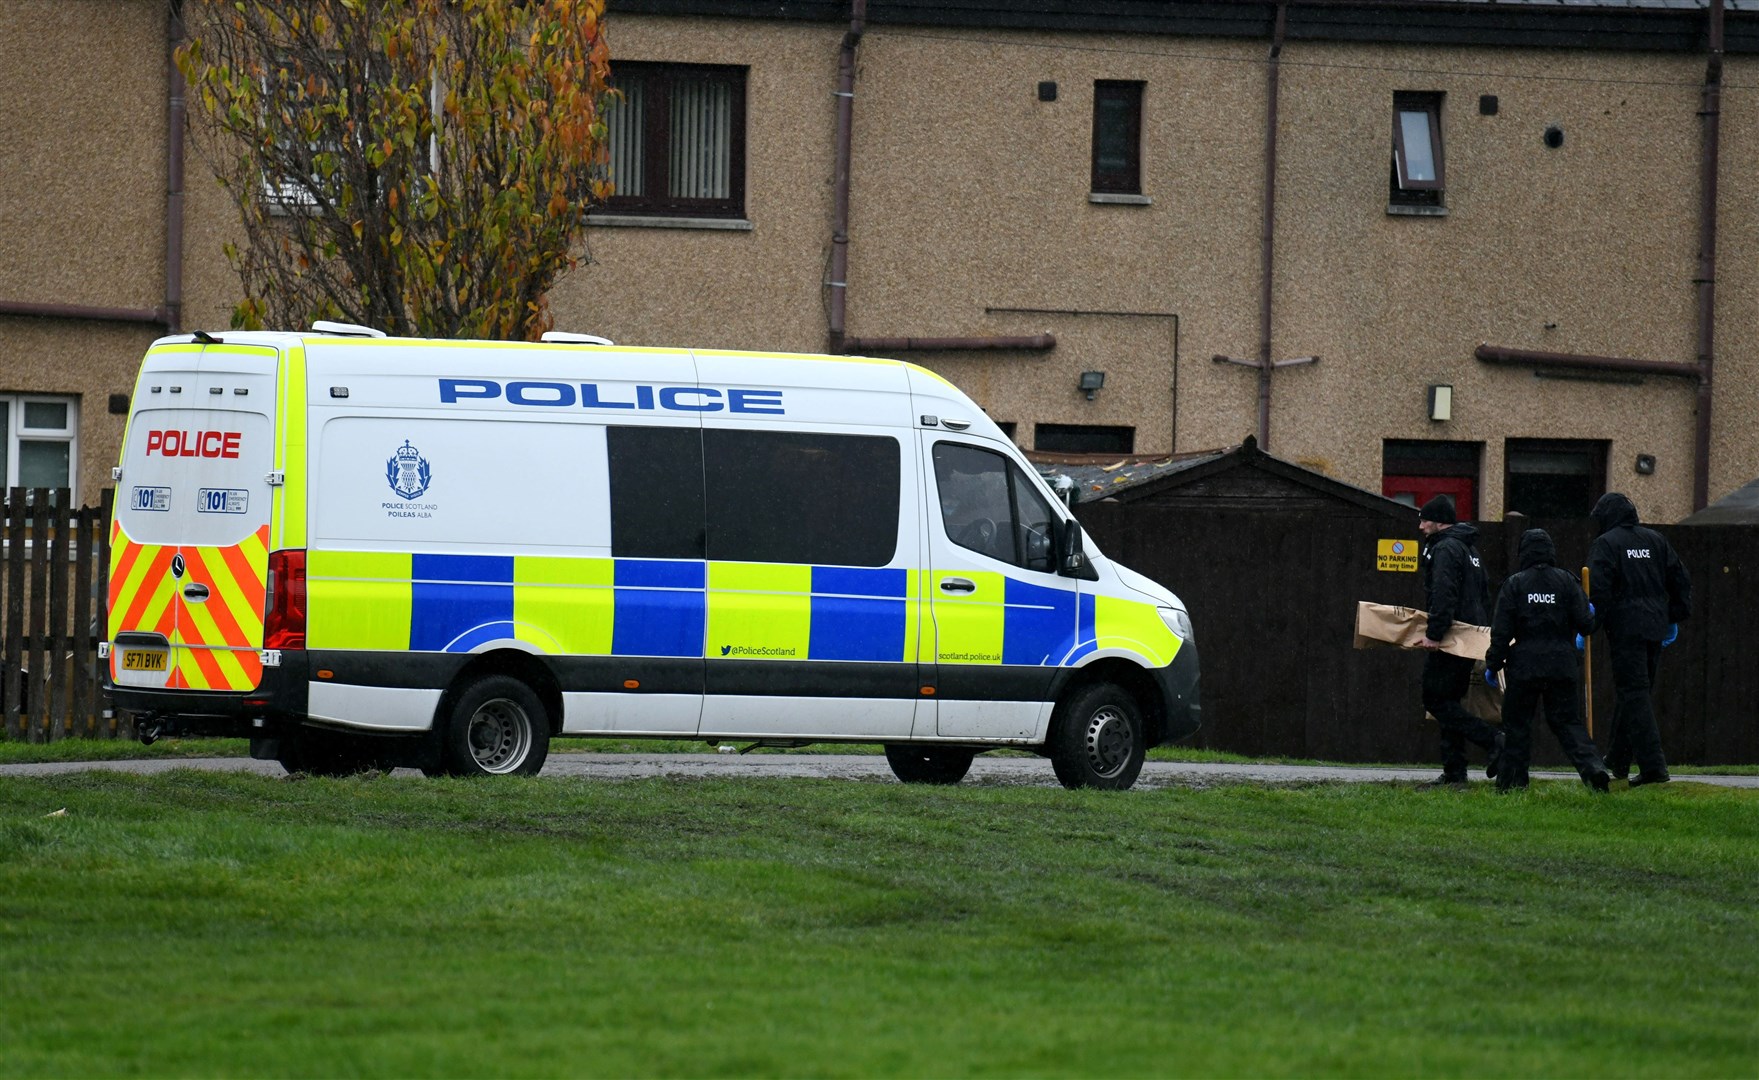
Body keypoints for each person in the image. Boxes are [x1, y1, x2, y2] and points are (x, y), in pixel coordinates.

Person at [1483, 528, 1610, 792]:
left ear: (1524, 553)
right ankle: (1593, 768)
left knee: (1517, 725)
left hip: (1524, 666)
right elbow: (1587, 624)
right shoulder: (1567, 582)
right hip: (1561, 664)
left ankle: (1512, 783)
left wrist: (1493, 664)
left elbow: (1501, 632)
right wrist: (1589, 612)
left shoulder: (1515, 584)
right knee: (1567, 721)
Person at [1588, 492, 1691, 787]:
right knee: (1634, 692)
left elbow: (1598, 592)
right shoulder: (1655, 541)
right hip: (1655, 629)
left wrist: (1588, 626)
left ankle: (1654, 767)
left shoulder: (1606, 544)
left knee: (1634, 692)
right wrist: (1674, 616)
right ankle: (1618, 759)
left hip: (1625, 630)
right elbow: (1680, 580)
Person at [1415, 494, 1502, 787]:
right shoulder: (1469, 549)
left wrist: (1434, 633)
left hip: (1452, 636)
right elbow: (1483, 595)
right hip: (1470, 635)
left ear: (1440, 522)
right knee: (1450, 700)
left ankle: (1494, 741)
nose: (1421, 526)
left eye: (1425, 519)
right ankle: (1455, 772)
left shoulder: (1446, 548)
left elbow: (1443, 593)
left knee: (1435, 698)